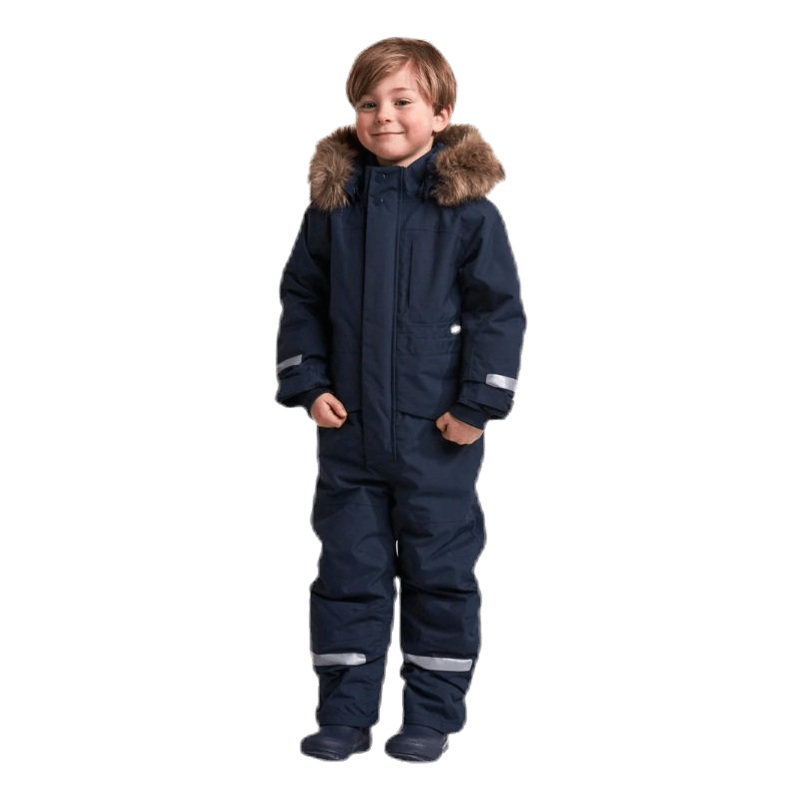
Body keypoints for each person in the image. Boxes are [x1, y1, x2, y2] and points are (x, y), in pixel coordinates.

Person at [275, 37, 526, 762]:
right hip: (350, 435)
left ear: (440, 114)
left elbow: (496, 313)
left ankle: (431, 715)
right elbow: (302, 296)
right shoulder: (333, 208)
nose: (383, 115)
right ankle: (344, 714)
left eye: (402, 100)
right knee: (347, 573)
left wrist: (476, 407)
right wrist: (309, 383)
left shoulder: (469, 214)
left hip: (435, 437)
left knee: (438, 573)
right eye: (368, 102)